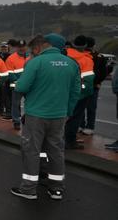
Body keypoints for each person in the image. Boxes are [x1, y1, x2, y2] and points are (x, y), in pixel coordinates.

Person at [11, 34, 80, 200]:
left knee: (31, 150)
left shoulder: (36, 62)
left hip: (37, 114)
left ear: (38, 47)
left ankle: (28, 189)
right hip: (60, 115)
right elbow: (76, 91)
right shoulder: (71, 63)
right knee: (56, 150)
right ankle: (56, 188)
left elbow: (22, 86)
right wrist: (68, 112)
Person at [64, 35, 95, 149]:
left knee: (63, 116)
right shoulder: (86, 60)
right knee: (75, 117)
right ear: (86, 46)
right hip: (79, 94)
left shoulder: (65, 54)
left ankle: (61, 138)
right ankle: (70, 141)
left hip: (63, 92)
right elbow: (88, 81)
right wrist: (85, 93)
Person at [80, 37, 108, 135]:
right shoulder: (99, 57)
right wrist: (98, 82)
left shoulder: (83, 56)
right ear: (94, 45)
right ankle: (89, 126)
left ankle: (82, 125)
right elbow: (103, 73)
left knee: (81, 106)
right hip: (93, 85)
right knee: (90, 107)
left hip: (83, 84)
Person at [5, 40, 28, 130]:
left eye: (23, 47)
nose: (21, 49)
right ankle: (16, 121)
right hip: (16, 86)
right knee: (15, 104)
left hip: (28, 86)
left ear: (26, 47)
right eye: (19, 47)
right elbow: (10, 74)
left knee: (30, 103)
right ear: (16, 48)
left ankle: (27, 119)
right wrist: (20, 83)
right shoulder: (11, 58)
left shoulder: (30, 58)